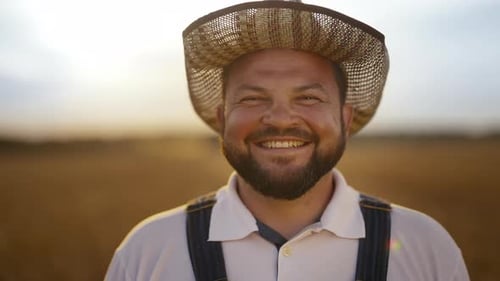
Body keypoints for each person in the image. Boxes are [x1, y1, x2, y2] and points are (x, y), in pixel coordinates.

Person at [104, 1, 470, 280]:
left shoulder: (427, 247)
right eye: (252, 98)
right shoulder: (147, 252)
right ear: (221, 119)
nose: (279, 119)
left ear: (344, 118)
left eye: (308, 98)